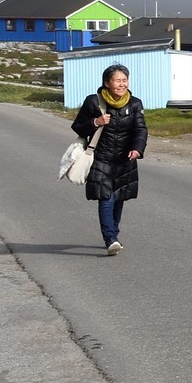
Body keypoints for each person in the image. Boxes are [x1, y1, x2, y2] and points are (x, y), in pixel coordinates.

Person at [71, 63, 148, 255]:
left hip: (125, 159)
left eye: (124, 80)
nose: (122, 84)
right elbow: (78, 127)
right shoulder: (93, 102)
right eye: (117, 80)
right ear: (107, 83)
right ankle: (110, 239)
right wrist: (95, 122)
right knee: (106, 198)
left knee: (119, 198)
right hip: (100, 158)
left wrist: (137, 149)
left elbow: (140, 130)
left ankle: (113, 232)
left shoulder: (135, 103)